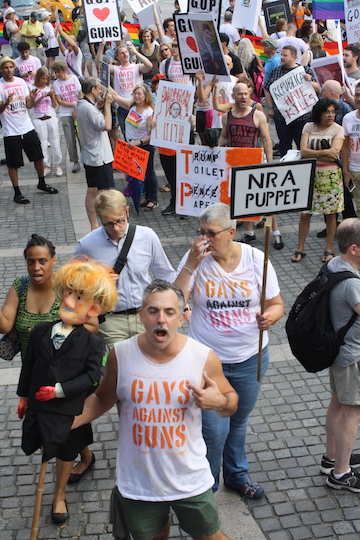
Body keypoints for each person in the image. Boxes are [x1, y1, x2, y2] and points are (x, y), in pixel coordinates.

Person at [72, 279, 238, 539]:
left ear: (181, 318)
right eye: (153, 311)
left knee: (209, 536)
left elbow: (231, 401)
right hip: (139, 482)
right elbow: (103, 398)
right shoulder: (120, 354)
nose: (161, 319)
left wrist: (220, 402)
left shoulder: (202, 357)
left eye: (169, 312)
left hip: (189, 479)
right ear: (141, 316)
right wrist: (66, 422)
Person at [174, 203, 284, 498]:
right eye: (201, 232)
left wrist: (269, 318)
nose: (203, 239)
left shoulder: (256, 259)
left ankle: (236, 475)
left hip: (250, 358)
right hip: (207, 363)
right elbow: (173, 299)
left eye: (210, 233)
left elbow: (276, 303)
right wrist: (190, 266)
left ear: (231, 232)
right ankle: (206, 484)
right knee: (213, 429)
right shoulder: (196, 259)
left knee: (238, 421)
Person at [17, 257, 117, 524]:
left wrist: (59, 391)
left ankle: (59, 495)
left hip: (69, 407)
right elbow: (30, 366)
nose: (70, 301)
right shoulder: (40, 332)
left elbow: (92, 379)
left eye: (80, 298)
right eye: (69, 293)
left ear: (94, 308)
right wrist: (24, 396)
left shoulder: (93, 344)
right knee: (52, 440)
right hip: (40, 405)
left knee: (65, 447)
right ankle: (87, 455)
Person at [73, 190, 176, 347]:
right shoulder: (87, 245)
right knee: (121, 367)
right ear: (99, 218)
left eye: (120, 221)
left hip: (146, 316)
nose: (115, 228)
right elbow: (69, 283)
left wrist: (178, 305)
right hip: (111, 321)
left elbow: (166, 274)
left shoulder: (147, 236)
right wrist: (98, 281)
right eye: (108, 223)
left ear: (127, 211)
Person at [218, 81, 284, 249]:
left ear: (249, 95)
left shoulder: (258, 115)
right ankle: (249, 232)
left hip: (255, 162)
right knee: (241, 199)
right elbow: (225, 137)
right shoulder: (227, 116)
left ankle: (276, 233)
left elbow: (267, 140)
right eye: (239, 94)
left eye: (246, 94)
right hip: (235, 162)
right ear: (233, 96)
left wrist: (270, 163)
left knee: (265, 199)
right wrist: (215, 149)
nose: (243, 97)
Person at [320, 218, 360, 492]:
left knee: (337, 403)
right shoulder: (352, 284)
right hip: (352, 356)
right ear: (355, 249)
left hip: (338, 353)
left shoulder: (334, 265)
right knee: (352, 412)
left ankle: (331, 458)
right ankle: (340, 474)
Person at [291, 98, 345, 263]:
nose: (331, 115)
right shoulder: (308, 126)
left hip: (331, 177)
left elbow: (335, 153)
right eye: (327, 111)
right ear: (319, 112)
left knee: (331, 215)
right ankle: (300, 248)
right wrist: (323, 153)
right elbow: (303, 151)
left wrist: (313, 152)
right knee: (305, 213)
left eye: (333, 112)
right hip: (310, 175)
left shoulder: (338, 129)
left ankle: (329, 249)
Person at [0, 56, 58, 204]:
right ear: (2, 70)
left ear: (14, 68)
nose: (9, 70)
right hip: (10, 131)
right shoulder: (0, 86)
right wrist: (5, 103)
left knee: (38, 156)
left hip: (26, 126)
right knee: (14, 163)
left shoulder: (20, 82)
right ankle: (17, 192)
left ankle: (42, 182)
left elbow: (29, 105)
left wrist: (32, 98)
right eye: (5, 68)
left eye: (11, 67)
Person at [265, 46, 319, 158]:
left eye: (285, 55)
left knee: (303, 145)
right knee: (284, 146)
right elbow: (267, 88)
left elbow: (318, 88)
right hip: (281, 117)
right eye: (281, 55)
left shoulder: (305, 70)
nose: (282, 58)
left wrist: (309, 81)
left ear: (293, 57)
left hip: (302, 117)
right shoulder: (276, 71)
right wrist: (270, 107)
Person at [112, 83, 159, 210]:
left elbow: (151, 135)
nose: (137, 96)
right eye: (135, 93)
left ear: (146, 95)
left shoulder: (149, 112)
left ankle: (153, 198)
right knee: (139, 174)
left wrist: (139, 143)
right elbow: (116, 96)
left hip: (143, 147)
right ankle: (146, 197)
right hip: (132, 146)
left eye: (140, 94)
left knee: (149, 173)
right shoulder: (132, 106)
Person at [76, 77, 115, 230]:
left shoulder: (81, 104)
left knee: (92, 190)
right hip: (99, 156)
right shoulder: (89, 108)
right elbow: (107, 125)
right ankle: (107, 224)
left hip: (89, 154)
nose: (100, 91)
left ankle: (94, 225)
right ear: (92, 90)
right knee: (105, 193)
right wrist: (107, 105)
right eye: (99, 88)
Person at [97, 41, 152, 139]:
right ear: (117, 57)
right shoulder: (116, 69)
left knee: (139, 133)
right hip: (122, 106)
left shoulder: (136, 66)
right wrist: (101, 47)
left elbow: (149, 66)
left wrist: (136, 52)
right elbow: (100, 66)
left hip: (137, 105)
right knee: (127, 134)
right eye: (121, 53)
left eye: (126, 52)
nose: (125, 54)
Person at [31, 66, 63, 178]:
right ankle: (46, 165)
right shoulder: (32, 88)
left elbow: (54, 105)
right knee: (42, 143)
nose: (44, 81)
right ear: (38, 78)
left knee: (55, 142)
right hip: (38, 118)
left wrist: (52, 97)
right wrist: (40, 97)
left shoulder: (50, 87)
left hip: (50, 116)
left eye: (46, 79)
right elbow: (31, 105)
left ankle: (58, 164)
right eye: (42, 78)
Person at [53, 60, 81, 173]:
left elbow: (80, 92)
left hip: (77, 111)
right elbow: (59, 101)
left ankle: (86, 158)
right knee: (70, 139)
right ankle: (75, 160)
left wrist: (79, 103)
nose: (58, 75)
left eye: (59, 72)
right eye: (56, 72)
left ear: (64, 70)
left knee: (82, 136)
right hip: (66, 113)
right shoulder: (56, 84)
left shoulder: (74, 78)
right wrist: (72, 104)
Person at [343, 83, 360, 219]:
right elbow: (345, 146)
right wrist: (345, 170)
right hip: (355, 170)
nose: (359, 98)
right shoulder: (348, 118)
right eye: (357, 95)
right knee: (359, 208)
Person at [42, 11, 59, 78]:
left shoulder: (42, 24)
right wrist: (55, 29)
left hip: (47, 43)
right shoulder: (48, 24)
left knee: (48, 59)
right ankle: (52, 73)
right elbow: (51, 34)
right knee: (52, 59)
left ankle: (48, 72)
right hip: (52, 43)